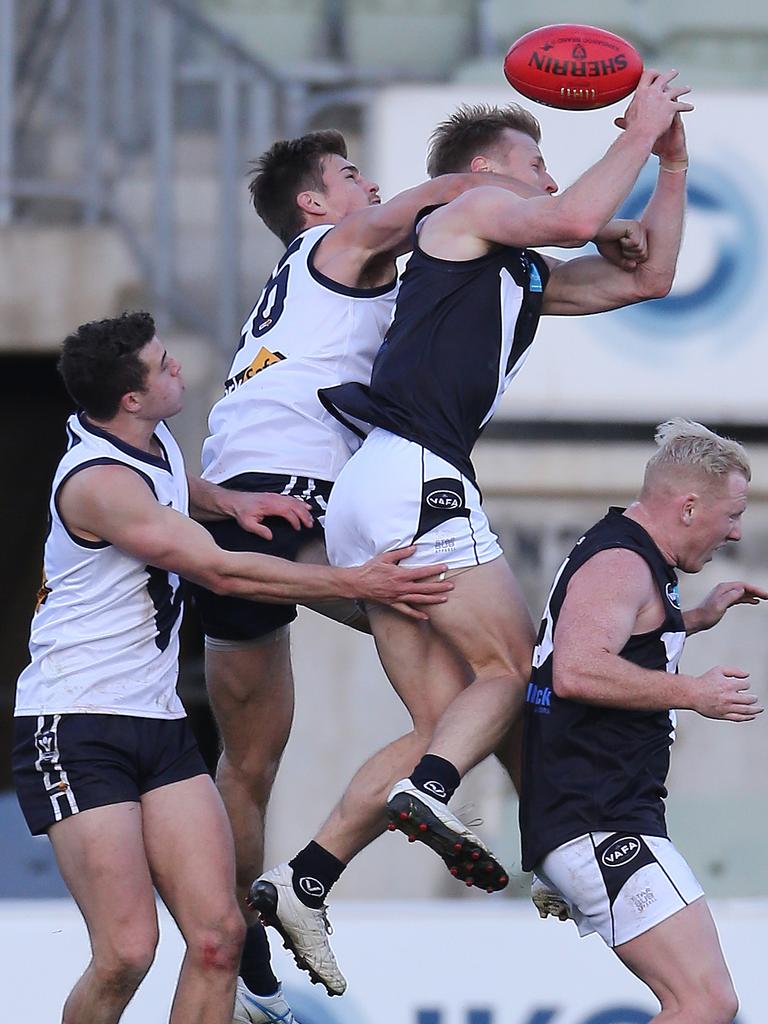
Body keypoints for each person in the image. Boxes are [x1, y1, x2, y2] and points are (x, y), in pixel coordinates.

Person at [251, 71, 695, 993]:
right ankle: (441, 797)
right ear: (489, 168)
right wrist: (637, 126)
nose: (546, 175)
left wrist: (671, 158)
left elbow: (651, 275)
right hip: (418, 469)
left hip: (378, 486)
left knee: (442, 720)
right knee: (511, 673)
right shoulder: (471, 214)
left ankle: (307, 879)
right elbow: (575, 218)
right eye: (535, 160)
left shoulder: (513, 267)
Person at [190, 128, 547, 1015]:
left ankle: (247, 947)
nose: (372, 184)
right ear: (311, 203)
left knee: (250, 764)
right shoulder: (332, 242)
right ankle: (517, 827)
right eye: (349, 175)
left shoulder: (360, 281)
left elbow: (498, 284)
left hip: (239, 509)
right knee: (484, 675)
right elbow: (419, 211)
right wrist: (485, 177)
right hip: (301, 505)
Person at [11, 311, 454, 1024]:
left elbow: (169, 482)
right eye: (163, 365)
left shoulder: (137, 438)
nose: (177, 367)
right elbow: (219, 571)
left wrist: (227, 498)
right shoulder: (98, 485)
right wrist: (358, 582)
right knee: (127, 951)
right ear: (131, 397)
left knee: (218, 939)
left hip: (157, 725)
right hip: (76, 726)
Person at [519, 419, 765, 1023]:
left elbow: (619, 640)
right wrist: (693, 693)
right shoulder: (621, 565)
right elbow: (576, 670)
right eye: (731, 514)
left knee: (703, 1002)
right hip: (599, 822)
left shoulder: (636, 558)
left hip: (603, 817)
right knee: (705, 1003)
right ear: (687, 508)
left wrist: (696, 619)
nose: (735, 531)